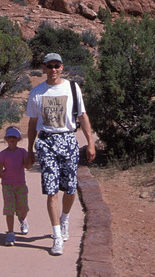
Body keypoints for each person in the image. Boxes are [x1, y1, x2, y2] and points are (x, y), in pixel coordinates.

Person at [26, 52, 96, 256]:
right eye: (49, 66)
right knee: (51, 190)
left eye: (56, 65)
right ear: (44, 68)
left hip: (67, 140)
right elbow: (32, 123)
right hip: (46, 142)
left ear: (62, 67)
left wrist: (90, 142)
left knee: (71, 188)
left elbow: (82, 116)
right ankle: (57, 235)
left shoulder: (72, 88)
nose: (53, 69)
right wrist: (30, 150)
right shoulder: (37, 92)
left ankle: (64, 218)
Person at [0, 126, 31, 246]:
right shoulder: (3, 154)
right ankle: (10, 233)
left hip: (20, 185)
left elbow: (28, 166)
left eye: (14, 137)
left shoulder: (22, 152)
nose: (12, 139)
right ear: (6, 139)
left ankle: (23, 219)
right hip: (7, 186)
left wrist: (31, 159)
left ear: (18, 139)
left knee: (23, 208)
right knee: (9, 209)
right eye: (9, 137)